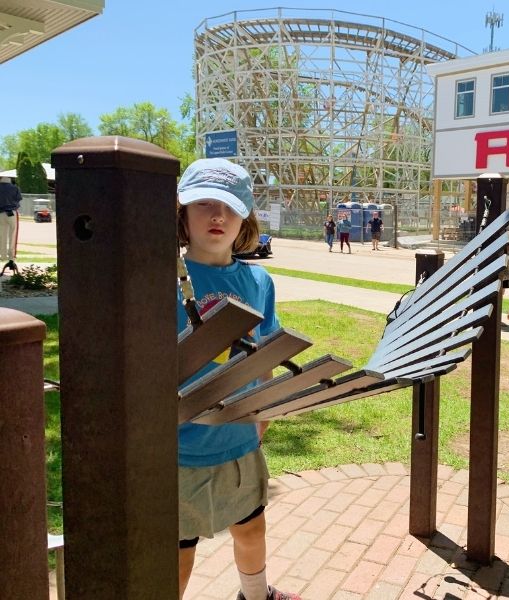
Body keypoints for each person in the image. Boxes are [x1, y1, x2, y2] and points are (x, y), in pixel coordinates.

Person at [176, 158, 300, 600]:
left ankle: (255, 594)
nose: (216, 216)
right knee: (178, 553)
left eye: (229, 207)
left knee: (251, 529)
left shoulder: (258, 280)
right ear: (182, 214)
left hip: (239, 440)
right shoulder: (159, 280)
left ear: (245, 216)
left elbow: (263, 355)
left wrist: (263, 413)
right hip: (179, 447)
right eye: (203, 204)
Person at [0, 176, 21, 269]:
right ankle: (11, 257)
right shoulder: (15, 188)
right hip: (11, 213)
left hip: (0, 213)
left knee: (1, 235)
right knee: (13, 235)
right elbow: (18, 199)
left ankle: (3, 255)